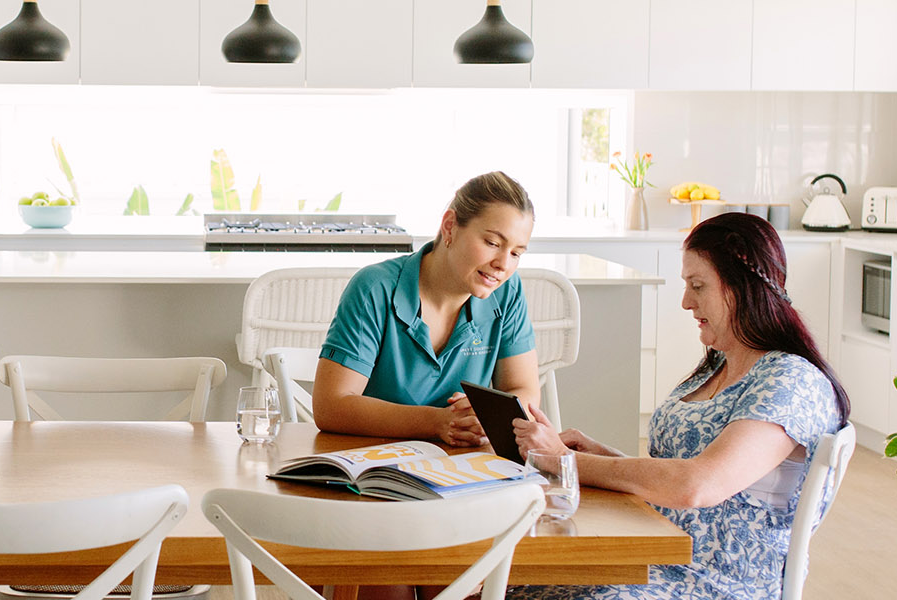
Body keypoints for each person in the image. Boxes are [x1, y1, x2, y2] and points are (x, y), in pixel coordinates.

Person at [508, 212, 850, 600]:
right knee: (505, 585)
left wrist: (565, 462)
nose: (686, 301)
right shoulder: (721, 364)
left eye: (698, 285)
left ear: (743, 287)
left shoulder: (789, 381)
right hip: (657, 556)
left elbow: (698, 486)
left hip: (716, 583)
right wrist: (603, 455)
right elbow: (685, 475)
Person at [313, 171, 543, 447]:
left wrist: (488, 415)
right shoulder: (375, 288)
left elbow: (524, 390)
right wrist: (437, 422)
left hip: (463, 471)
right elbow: (331, 407)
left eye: (516, 253)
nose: (503, 264)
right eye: (493, 243)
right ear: (450, 227)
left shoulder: (506, 290)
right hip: (377, 465)